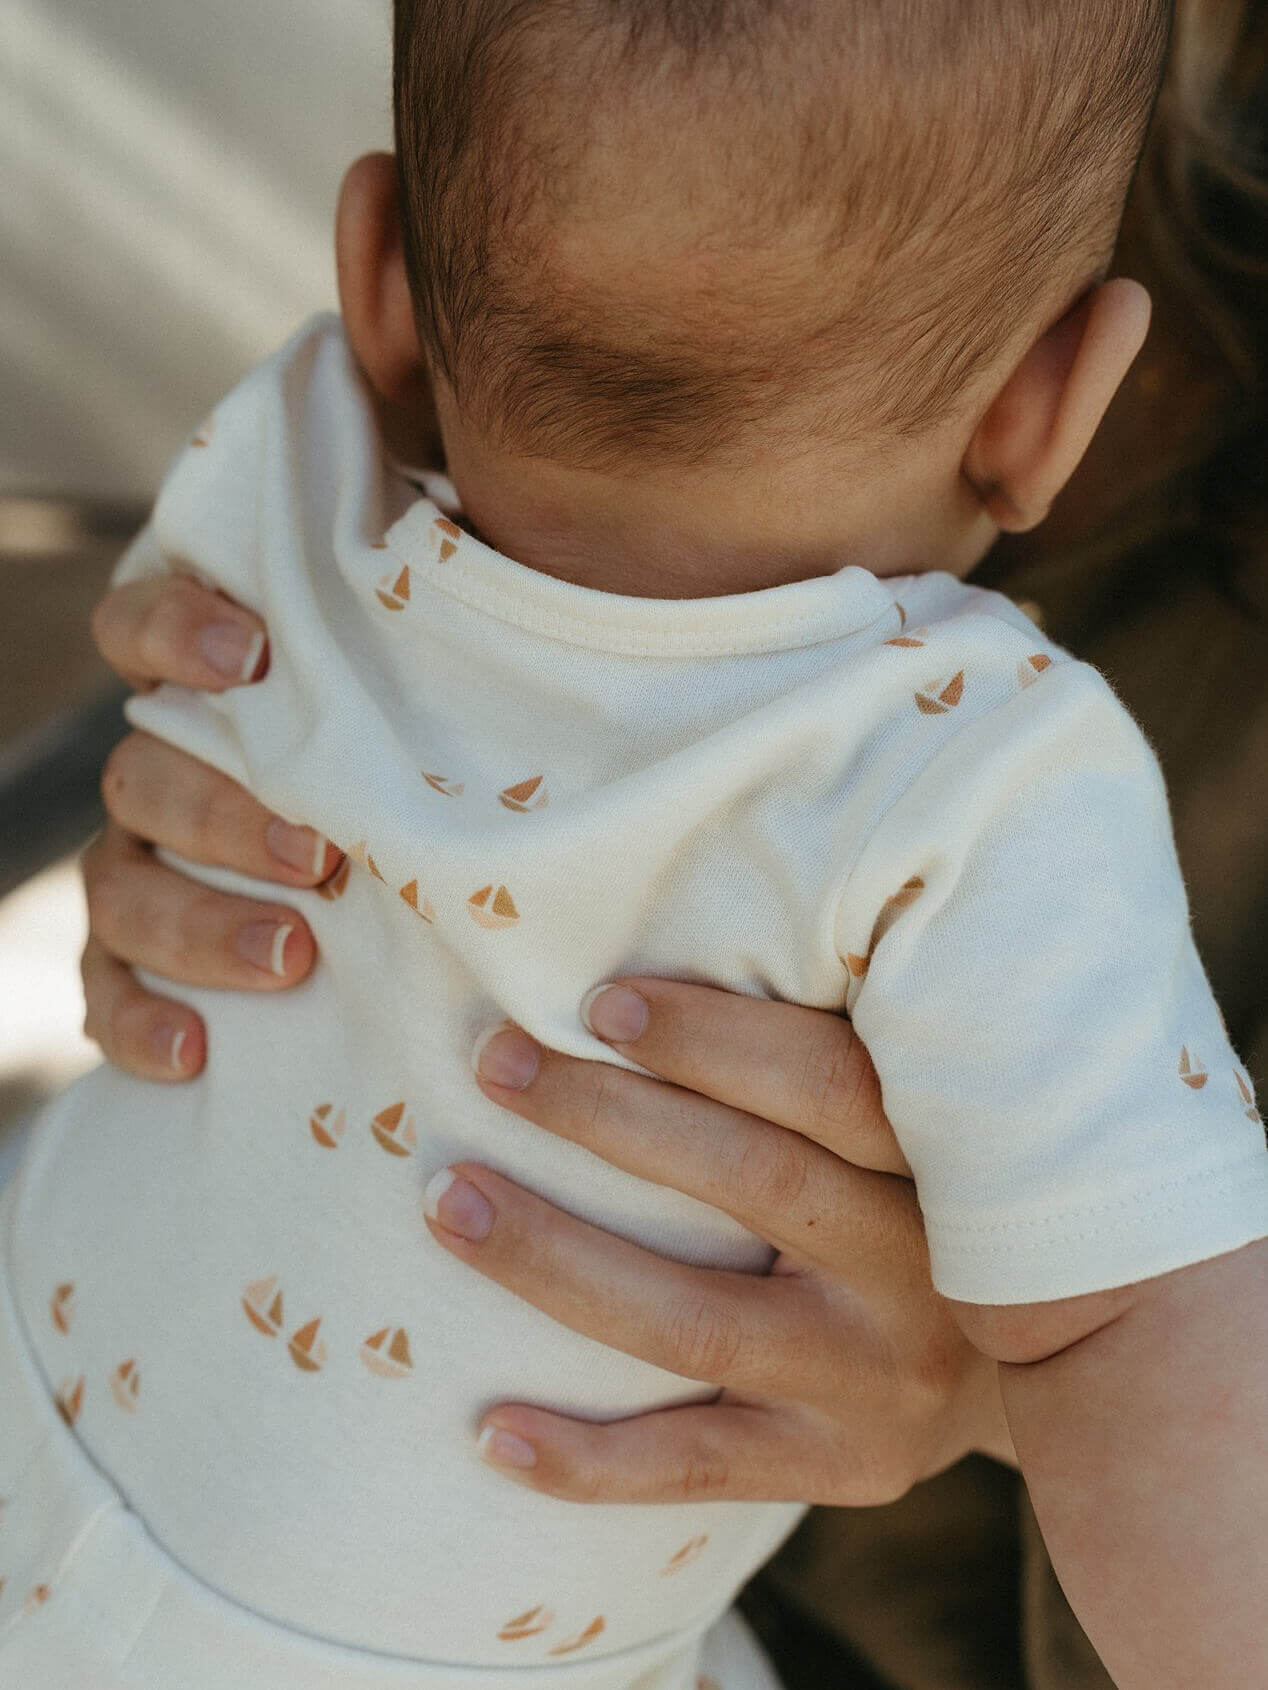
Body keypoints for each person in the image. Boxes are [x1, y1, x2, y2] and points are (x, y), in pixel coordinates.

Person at [7, 4, 1266, 1689]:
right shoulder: (974, 779)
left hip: (42, 1383)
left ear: (374, 276)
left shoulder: (289, 459)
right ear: (1051, 408)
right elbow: (1142, 1342)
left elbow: (172, 690)